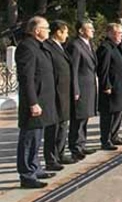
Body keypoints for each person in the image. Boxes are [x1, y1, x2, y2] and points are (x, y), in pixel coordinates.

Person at [15, 16, 58, 189]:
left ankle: (35, 167)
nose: (49, 30)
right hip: (35, 102)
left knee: (37, 137)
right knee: (29, 139)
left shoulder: (39, 46)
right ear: (36, 30)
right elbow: (27, 78)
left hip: (43, 100)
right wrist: (33, 102)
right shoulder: (27, 47)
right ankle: (27, 175)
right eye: (46, 28)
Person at [42, 20, 74, 170]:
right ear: (58, 32)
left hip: (64, 92)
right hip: (55, 93)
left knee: (63, 124)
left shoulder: (61, 47)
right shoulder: (48, 47)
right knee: (53, 127)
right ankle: (51, 158)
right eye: (65, 32)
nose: (67, 35)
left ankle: (60, 153)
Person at [97, 23, 122, 150]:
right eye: (119, 33)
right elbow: (103, 70)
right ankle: (106, 140)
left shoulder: (118, 46)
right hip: (111, 87)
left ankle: (114, 136)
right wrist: (106, 85)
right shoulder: (106, 48)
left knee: (118, 112)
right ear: (110, 33)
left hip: (121, 86)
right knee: (109, 115)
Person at [68, 20, 98, 160]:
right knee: (78, 118)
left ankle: (82, 143)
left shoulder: (88, 44)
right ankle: (75, 147)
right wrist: (75, 89)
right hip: (81, 87)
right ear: (81, 30)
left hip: (89, 86)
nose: (93, 30)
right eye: (89, 28)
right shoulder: (75, 45)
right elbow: (73, 70)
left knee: (85, 118)